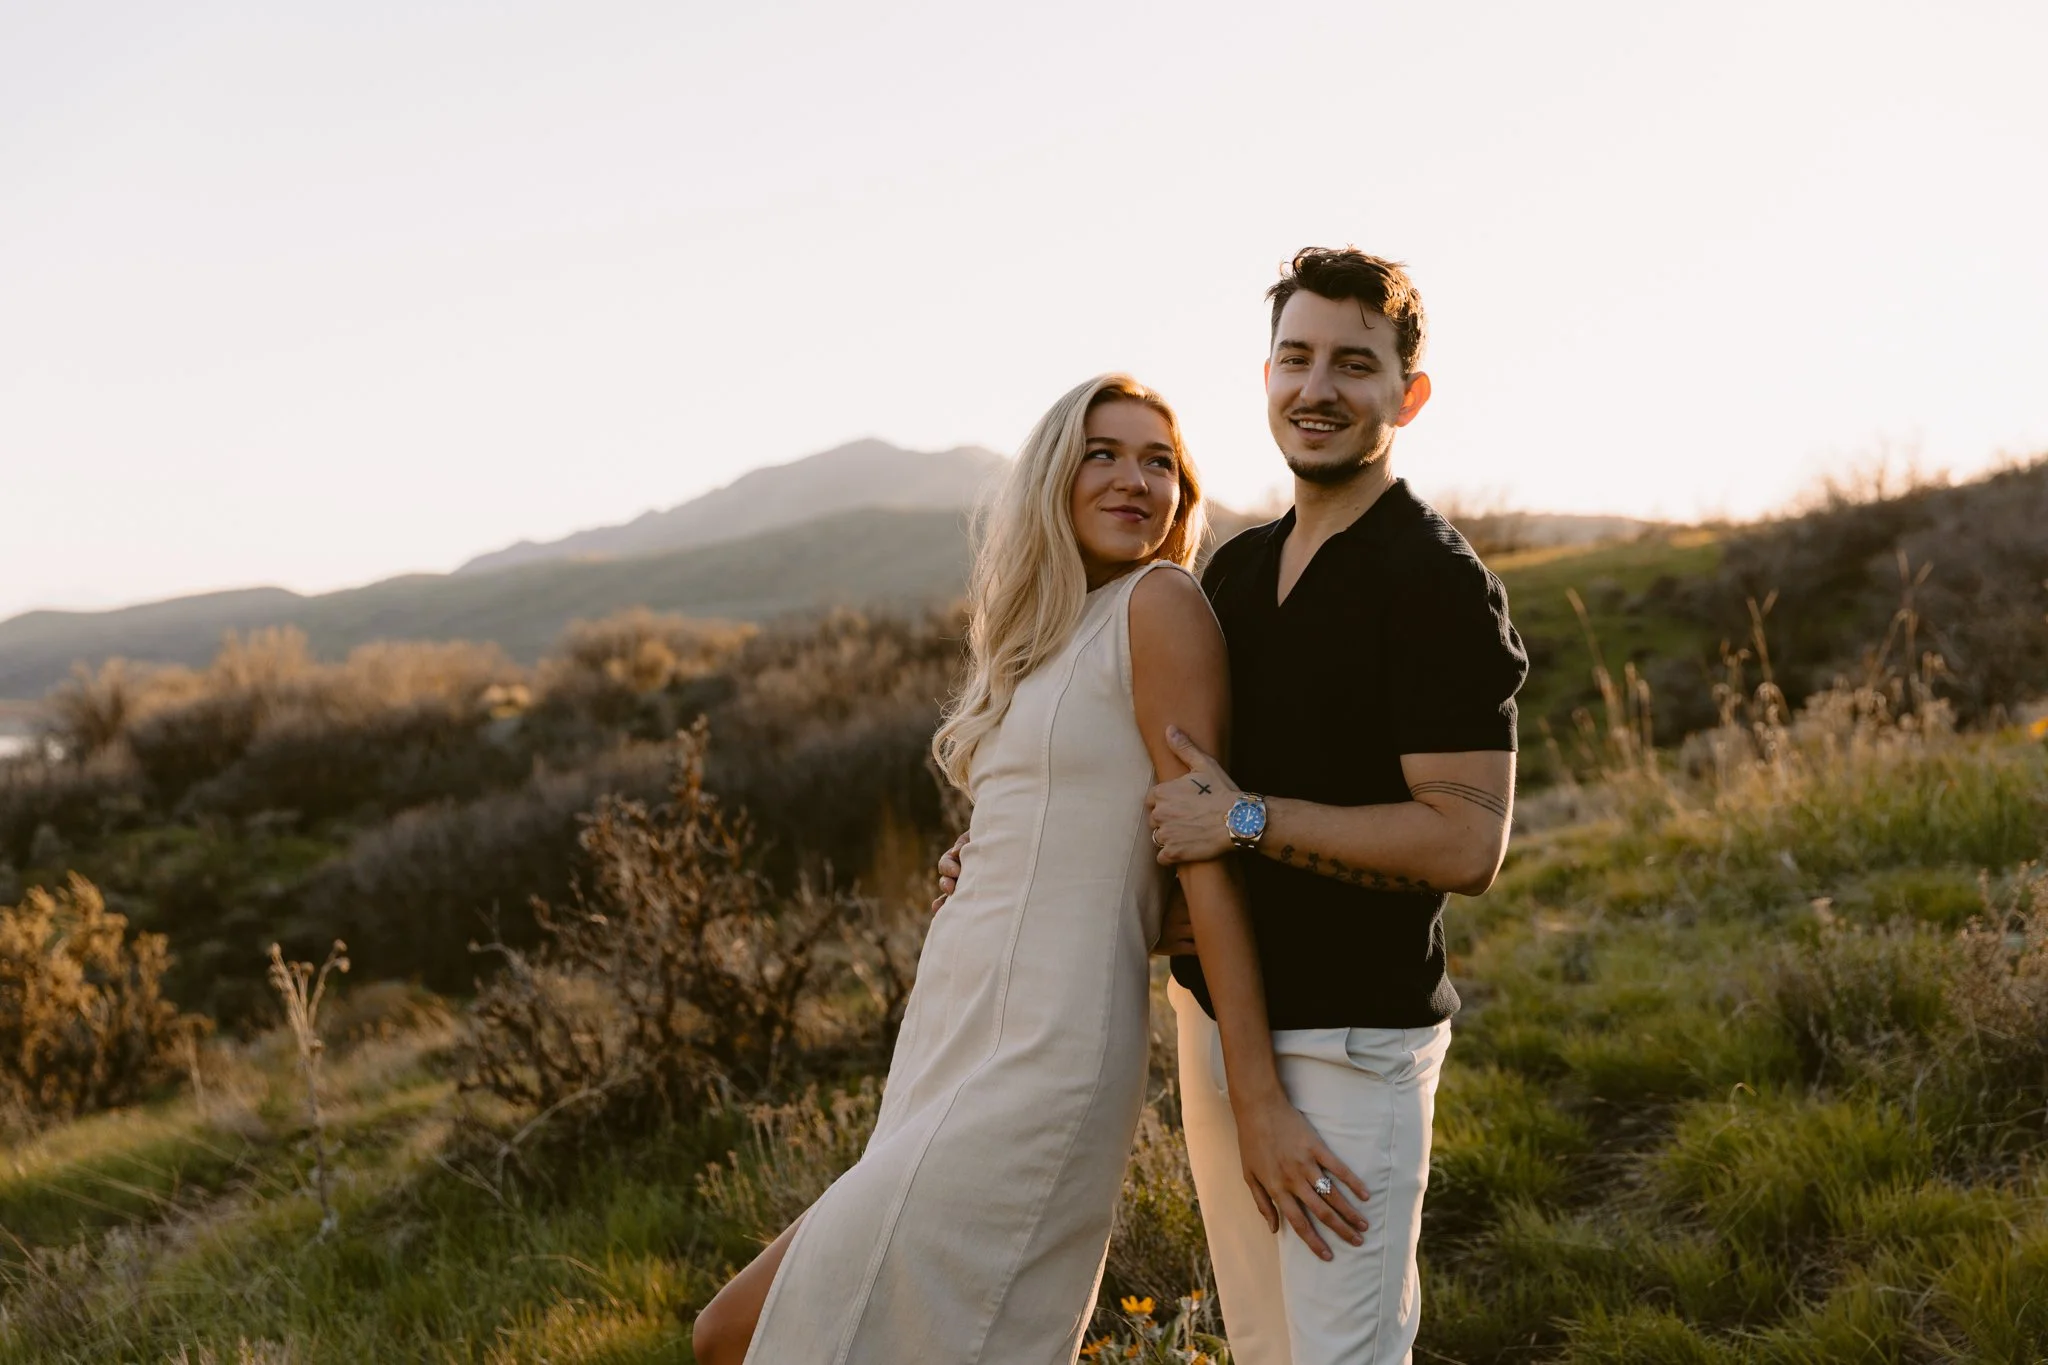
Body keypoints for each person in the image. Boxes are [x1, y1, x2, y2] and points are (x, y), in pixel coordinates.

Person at [692, 374, 1367, 1365]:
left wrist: (1253, 1095)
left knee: (740, 1333)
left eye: (1158, 462)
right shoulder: (1038, 639)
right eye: (1104, 453)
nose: (1134, 479)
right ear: (1054, 474)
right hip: (949, 1033)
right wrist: (989, 862)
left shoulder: (1160, 602)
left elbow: (1202, 847)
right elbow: (1062, 818)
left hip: (1047, 1051)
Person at [939, 249, 1529, 1364]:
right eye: (1295, 358)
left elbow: (1464, 839)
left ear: (1407, 395)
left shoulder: (1433, 582)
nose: (1318, 388)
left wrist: (1251, 819)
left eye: (1354, 365)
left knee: (1343, 1354)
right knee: (1264, 1347)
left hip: (1352, 1038)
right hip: (1218, 1020)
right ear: (1263, 377)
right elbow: (1162, 784)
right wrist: (1012, 855)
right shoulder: (1238, 574)